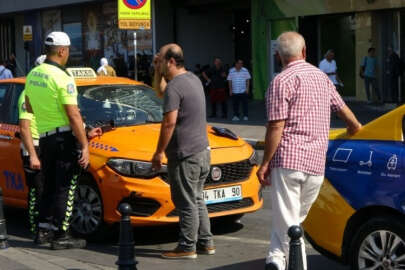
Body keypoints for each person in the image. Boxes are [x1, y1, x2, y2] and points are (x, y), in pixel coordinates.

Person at [256, 32, 362, 270]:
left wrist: (264, 164)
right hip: (315, 164)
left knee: (289, 225)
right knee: (292, 222)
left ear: (278, 56)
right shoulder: (322, 78)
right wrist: (356, 128)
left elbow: (276, 126)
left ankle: (286, 263)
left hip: (288, 162)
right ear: (304, 52)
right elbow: (344, 111)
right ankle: (274, 259)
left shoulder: (281, 81)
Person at [24, 31, 93, 250]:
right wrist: (84, 145)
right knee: (66, 186)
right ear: (62, 51)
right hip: (63, 137)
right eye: (69, 50)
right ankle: (62, 234)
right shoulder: (62, 77)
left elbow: (30, 106)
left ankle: (43, 230)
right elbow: (73, 115)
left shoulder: (33, 74)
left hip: (44, 138)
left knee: (49, 186)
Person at [152, 43, 215, 259]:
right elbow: (160, 92)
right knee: (197, 199)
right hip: (202, 151)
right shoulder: (193, 79)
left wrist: (159, 152)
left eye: (159, 59)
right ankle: (206, 243)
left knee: (186, 202)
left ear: (170, 61)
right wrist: (156, 70)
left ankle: (188, 246)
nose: (157, 61)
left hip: (185, 154)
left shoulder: (175, 86)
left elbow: (169, 123)